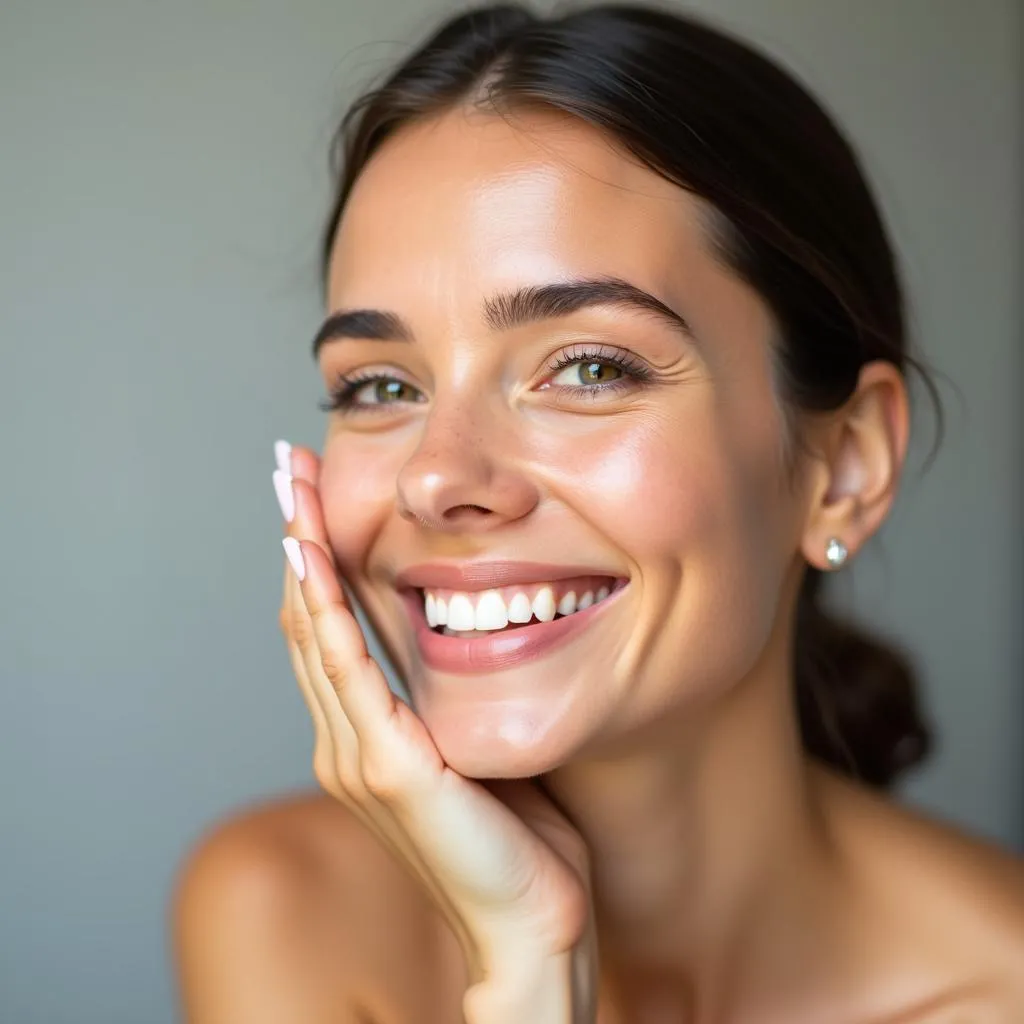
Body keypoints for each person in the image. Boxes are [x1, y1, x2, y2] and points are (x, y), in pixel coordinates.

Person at [171, 4, 1024, 1021]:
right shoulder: (283, 912)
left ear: (842, 465)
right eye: (381, 387)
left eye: (587, 367)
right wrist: (530, 972)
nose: (436, 478)